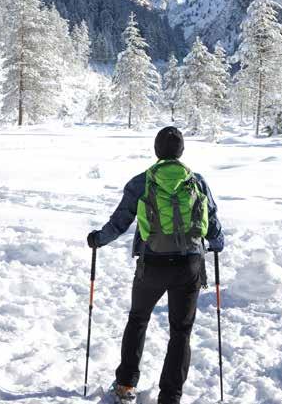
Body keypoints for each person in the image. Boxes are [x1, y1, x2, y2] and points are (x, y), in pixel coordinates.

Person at [87, 126, 224, 404]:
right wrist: (217, 243)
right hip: (189, 266)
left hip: (153, 265)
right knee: (181, 331)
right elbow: (212, 224)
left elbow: (120, 221)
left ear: (156, 151)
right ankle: (170, 397)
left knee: (138, 320)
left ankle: (126, 385)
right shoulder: (196, 181)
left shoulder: (142, 182)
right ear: (181, 151)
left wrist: (98, 239)